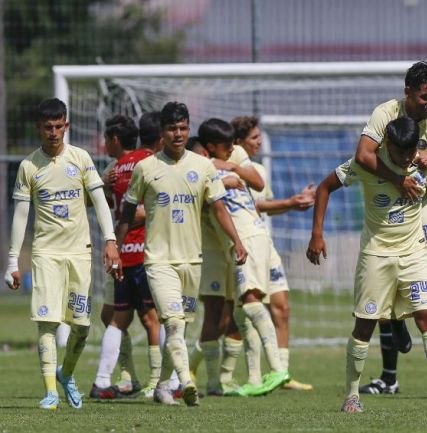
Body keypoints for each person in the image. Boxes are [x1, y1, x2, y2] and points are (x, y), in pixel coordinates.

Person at [307, 116, 427, 413]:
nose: (407, 158)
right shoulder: (366, 164)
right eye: (401, 152)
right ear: (387, 145)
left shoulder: (421, 164)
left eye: (411, 152)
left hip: (413, 255)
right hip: (377, 256)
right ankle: (352, 395)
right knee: (364, 326)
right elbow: (324, 188)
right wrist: (317, 233)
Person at [353, 60, 427, 395]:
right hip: (386, 203)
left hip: (418, 203)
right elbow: (363, 154)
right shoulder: (385, 113)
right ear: (408, 92)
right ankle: (394, 323)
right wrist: (398, 179)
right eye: (425, 97)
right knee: (392, 279)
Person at [116, 102, 247, 407]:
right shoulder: (146, 168)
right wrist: (115, 248)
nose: (178, 133)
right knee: (173, 322)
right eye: (172, 128)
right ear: (162, 133)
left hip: (192, 261)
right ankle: (186, 382)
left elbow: (218, 207)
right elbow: (126, 213)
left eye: (183, 128)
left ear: (188, 130)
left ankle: (163, 386)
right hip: (158, 261)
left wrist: (236, 240)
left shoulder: (203, 168)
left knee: (181, 325)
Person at [4, 98, 121, 410]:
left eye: (58, 126)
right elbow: (20, 214)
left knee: (81, 326)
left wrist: (110, 240)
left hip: (79, 254)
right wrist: (13, 260)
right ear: (39, 128)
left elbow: (99, 201)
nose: (53, 132)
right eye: (47, 127)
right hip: (45, 254)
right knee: (47, 323)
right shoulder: (29, 166)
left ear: (66, 126)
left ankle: (66, 374)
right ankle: (50, 393)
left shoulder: (80, 159)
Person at [194, 118, 291, 397]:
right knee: (241, 309)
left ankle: (277, 369)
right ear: (210, 148)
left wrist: (231, 168)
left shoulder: (233, 156)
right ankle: (254, 378)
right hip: (242, 240)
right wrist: (223, 178)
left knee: (250, 304)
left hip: (247, 237)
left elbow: (256, 183)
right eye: (226, 147)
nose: (232, 150)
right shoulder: (201, 167)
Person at [230, 115, 316, 392]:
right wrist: (291, 201)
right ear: (239, 143)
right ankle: (216, 372)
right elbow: (252, 207)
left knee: (281, 307)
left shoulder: (257, 171)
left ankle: (283, 374)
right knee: (239, 314)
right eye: (253, 138)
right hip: (245, 244)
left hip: (265, 243)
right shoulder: (231, 171)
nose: (259, 142)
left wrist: (293, 204)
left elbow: (263, 205)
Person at [90, 114, 163, 400]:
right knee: (151, 318)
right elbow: (143, 210)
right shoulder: (151, 163)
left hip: (125, 251)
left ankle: (107, 379)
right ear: (160, 139)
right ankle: (153, 381)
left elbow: (115, 207)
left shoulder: (119, 168)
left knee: (119, 318)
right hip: (144, 250)